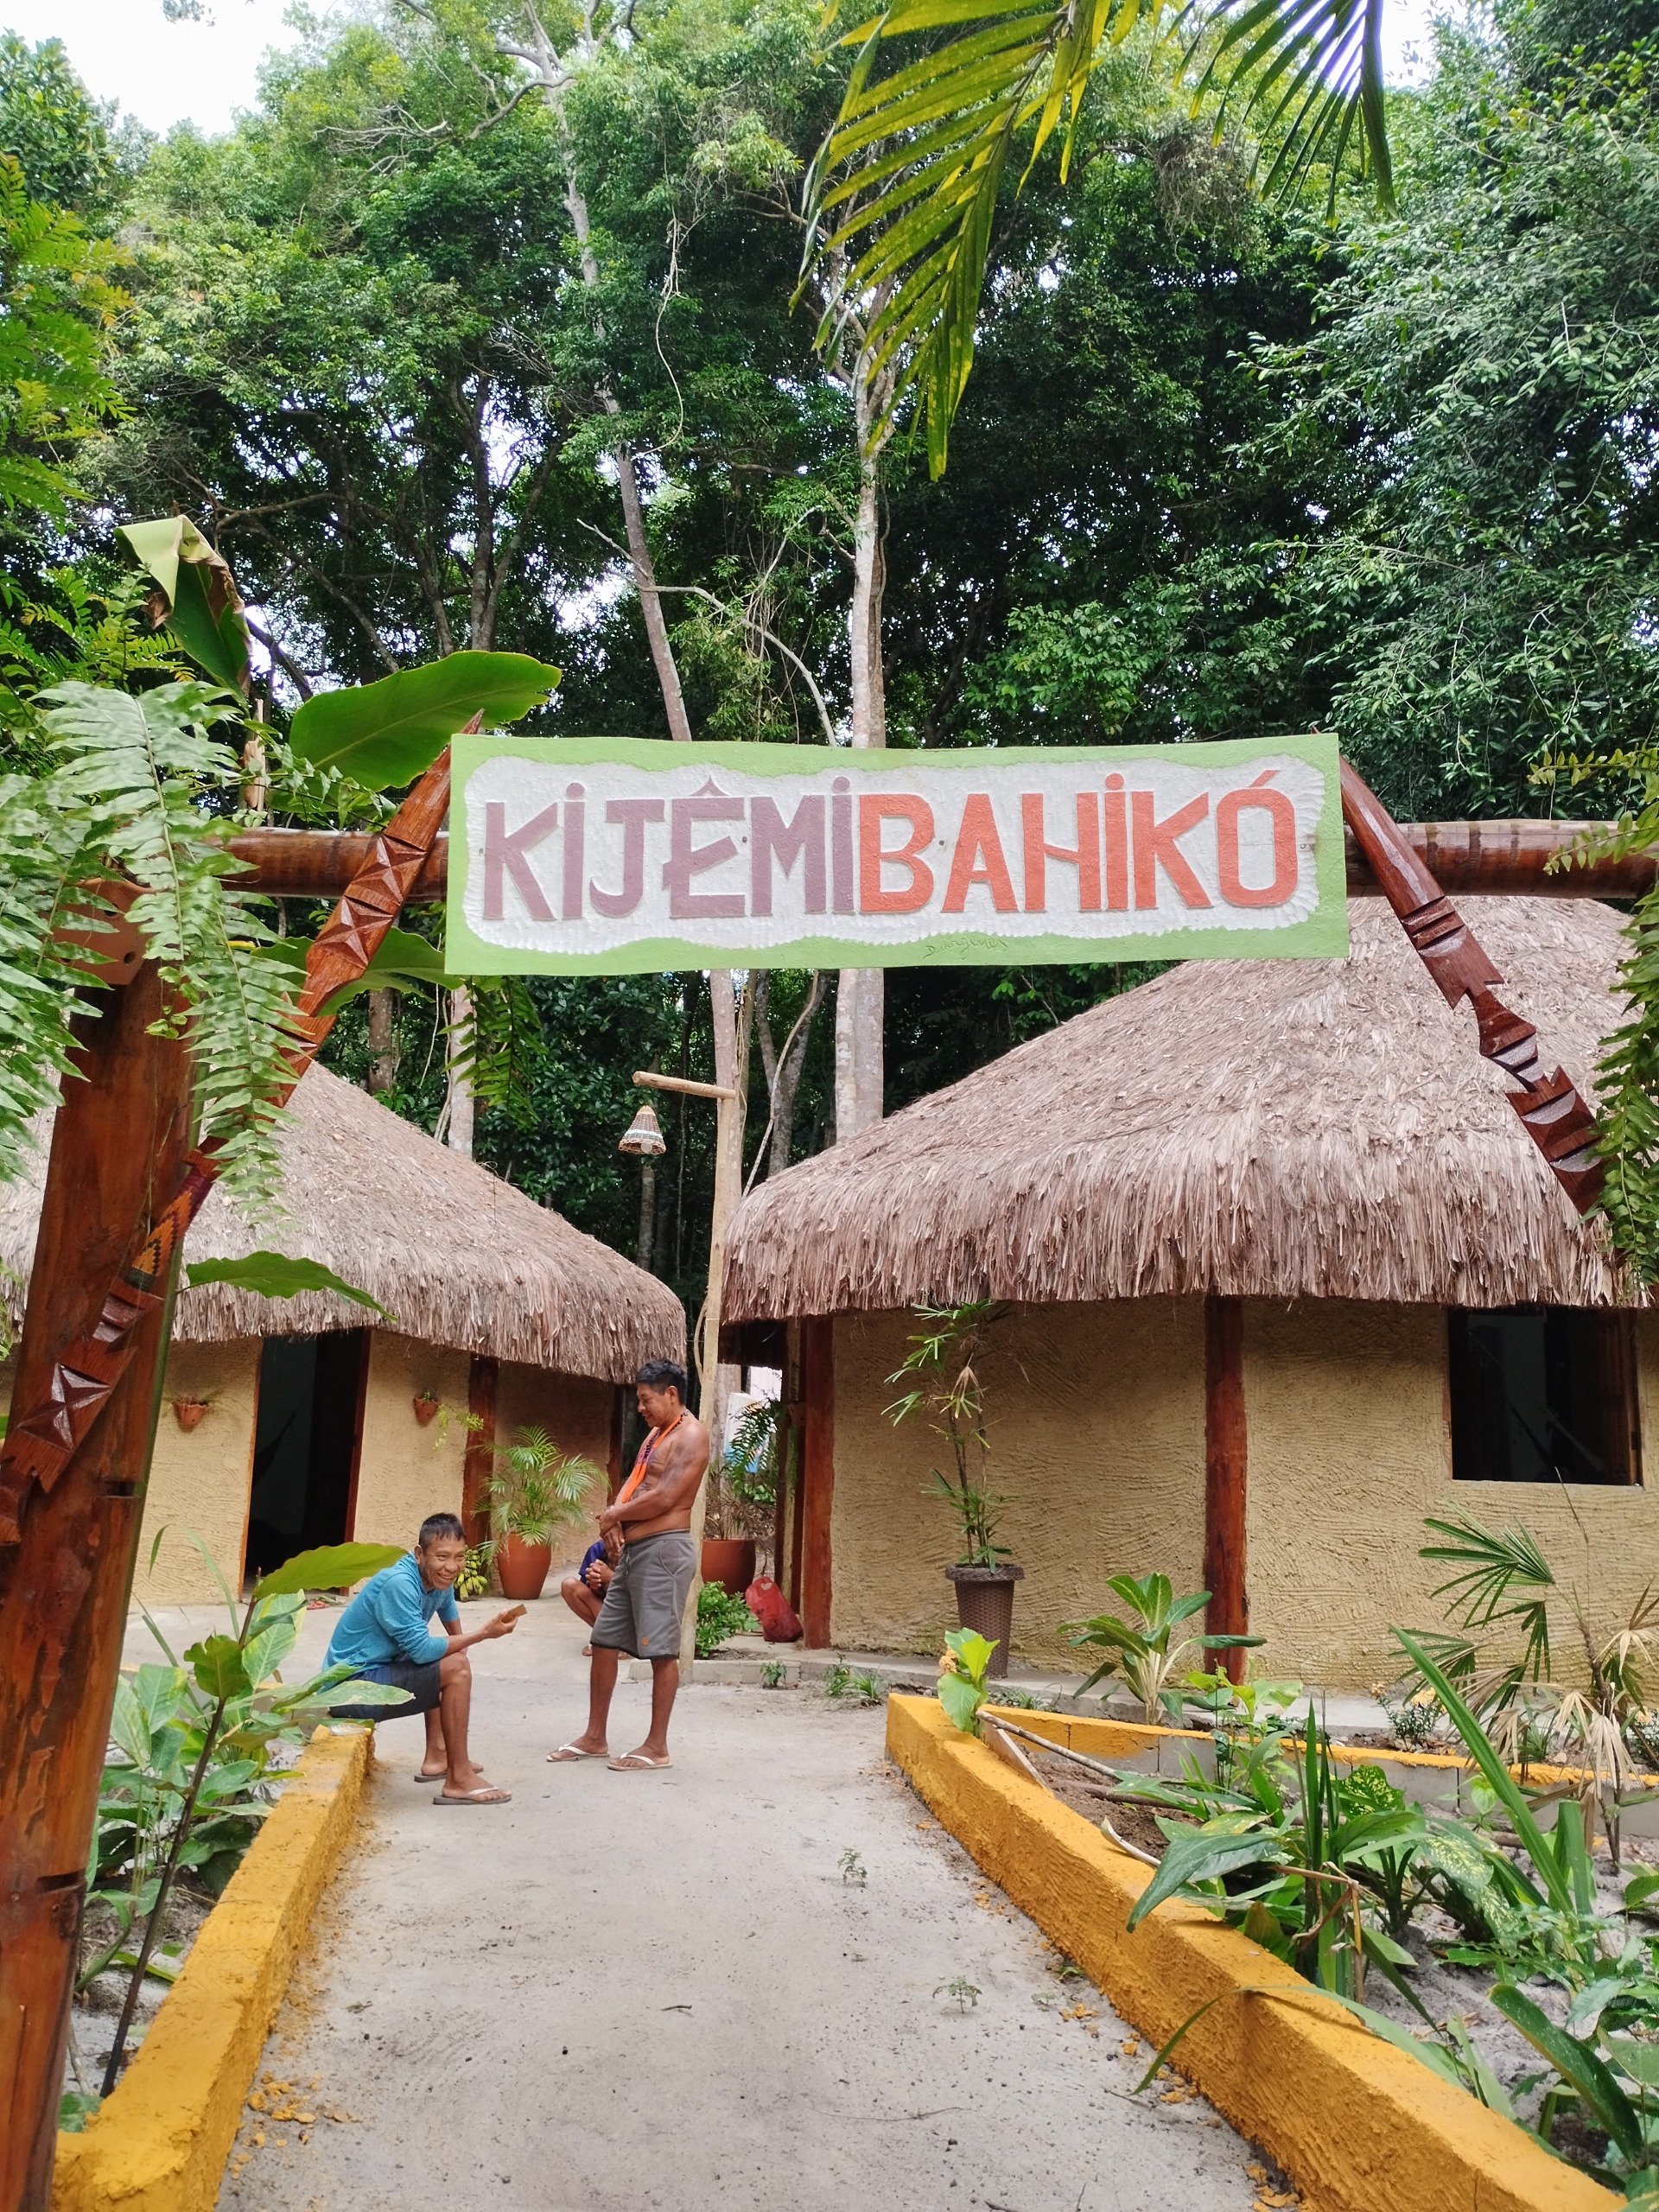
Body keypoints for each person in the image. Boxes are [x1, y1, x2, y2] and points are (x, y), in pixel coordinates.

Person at [549, 1358, 709, 1772]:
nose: (640, 1407)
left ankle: (657, 1747)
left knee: (660, 1650)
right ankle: (595, 1737)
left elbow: (667, 1496)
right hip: (636, 1552)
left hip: (665, 1552)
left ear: (671, 1394)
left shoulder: (692, 1435)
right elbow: (635, 1484)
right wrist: (613, 1519)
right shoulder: (657, 1434)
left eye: (645, 1399)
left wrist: (617, 1517)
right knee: (604, 1640)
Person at [327, 1511, 520, 1805]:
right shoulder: (400, 1583)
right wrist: (482, 1634)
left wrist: (460, 1642)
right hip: (351, 1690)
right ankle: (458, 1780)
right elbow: (421, 1651)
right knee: (453, 1668)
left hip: (376, 1674)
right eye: (442, 1557)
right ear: (420, 1554)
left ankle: (438, 1757)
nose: (452, 1567)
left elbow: (446, 1606)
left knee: (449, 1661)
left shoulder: (435, 1577)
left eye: (460, 1557)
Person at [560, 1538, 613, 1652]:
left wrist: (612, 1577)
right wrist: (595, 1587)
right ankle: (609, 1639)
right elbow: (589, 1590)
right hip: (609, 1610)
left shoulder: (642, 1548)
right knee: (569, 1585)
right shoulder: (598, 1549)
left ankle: (628, 1642)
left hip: (635, 1611)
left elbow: (647, 1588)